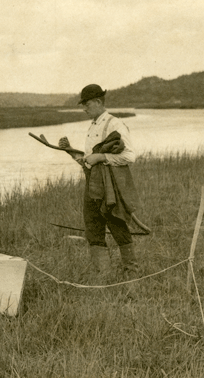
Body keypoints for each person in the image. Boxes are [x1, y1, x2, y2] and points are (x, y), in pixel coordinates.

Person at [59, 84, 141, 274]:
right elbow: (88, 161)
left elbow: (130, 157)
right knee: (93, 229)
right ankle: (103, 276)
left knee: (117, 225)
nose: (84, 108)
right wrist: (70, 151)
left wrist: (102, 157)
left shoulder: (115, 124)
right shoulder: (93, 125)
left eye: (86, 104)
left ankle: (131, 271)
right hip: (91, 186)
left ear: (98, 102)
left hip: (109, 187)